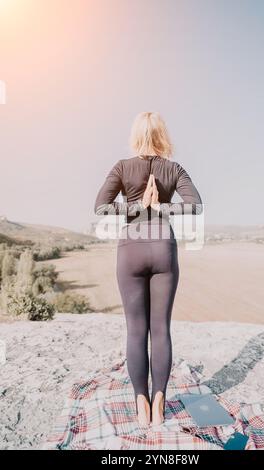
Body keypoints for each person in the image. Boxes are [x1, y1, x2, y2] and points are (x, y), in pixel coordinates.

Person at [94, 111, 202, 427]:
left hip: (131, 248)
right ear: (162, 136)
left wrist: (136, 207)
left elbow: (100, 206)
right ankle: (159, 402)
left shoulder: (122, 167)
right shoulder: (174, 168)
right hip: (163, 247)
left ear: (136, 135)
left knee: (136, 330)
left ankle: (140, 403)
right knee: (161, 329)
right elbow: (196, 205)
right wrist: (160, 207)